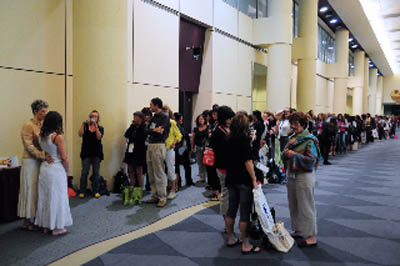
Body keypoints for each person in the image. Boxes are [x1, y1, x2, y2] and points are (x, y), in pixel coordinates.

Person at [282, 112, 320, 248]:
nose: (293, 126)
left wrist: (294, 154)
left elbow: (311, 161)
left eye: (296, 123)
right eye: (292, 123)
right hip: (291, 173)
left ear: (303, 124)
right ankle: (297, 230)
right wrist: (287, 150)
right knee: (293, 203)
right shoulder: (292, 138)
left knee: (306, 205)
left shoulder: (310, 140)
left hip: (305, 174)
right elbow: (282, 155)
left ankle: (311, 236)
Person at [224, 112, 260, 254]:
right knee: (245, 213)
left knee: (231, 209)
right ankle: (246, 243)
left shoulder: (227, 138)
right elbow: (248, 162)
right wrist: (253, 179)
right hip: (243, 179)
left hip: (231, 177)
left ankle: (231, 237)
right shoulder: (244, 140)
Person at [35, 111, 72, 235]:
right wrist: (67, 170)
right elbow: (64, 157)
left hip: (45, 168)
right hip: (56, 169)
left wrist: (46, 156)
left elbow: (44, 151)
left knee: (45, 197)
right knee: (57, 197)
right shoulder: (57, 137)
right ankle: (57, 227)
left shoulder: (41, 136)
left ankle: (46, 225)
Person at [18, 99, 49, 231]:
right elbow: (28, 145)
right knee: (29, 189)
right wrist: (41, 155)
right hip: (30, 161)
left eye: (45, 112)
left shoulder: (42, 125)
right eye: (42, 112)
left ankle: (36, 217)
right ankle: (26, 220)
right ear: (35, 111)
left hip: (39, 162)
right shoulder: (28, 125)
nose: (44, 114)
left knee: (37, 190)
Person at [145, 98, 171, 207]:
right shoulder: (153, 117)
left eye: (151, 104)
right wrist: (154, 130)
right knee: (151, 172)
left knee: (159, 172)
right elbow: (146, 131)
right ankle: (154, 195)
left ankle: (162, 197)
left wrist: (154, 130)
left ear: (156, 105)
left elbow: (160, 132)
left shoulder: (164, 117)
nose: (150, 106)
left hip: (159, 145)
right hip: (150, 145)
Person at [210, 106, 235, 214]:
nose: (230, 121)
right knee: (226, 194)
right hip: (223, 166)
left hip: (231, 166)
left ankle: (229, 220)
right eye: (228, 119)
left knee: (231, 194)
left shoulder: (230, 129)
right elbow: (219, 151)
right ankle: (227, 222)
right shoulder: (217, 133)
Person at [78, 110, 104, 199]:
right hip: (86, 152)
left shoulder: (100, 128)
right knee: (84, 172)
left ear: (97, 118)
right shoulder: (85, 127)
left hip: (96, 153)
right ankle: (82, 191)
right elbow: (80, 134)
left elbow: (99, 137)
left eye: (95, 116)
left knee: (96, 173)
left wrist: (96, 127)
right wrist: (82, 124)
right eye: (92, 116)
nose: (93, 117)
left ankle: (96, 191)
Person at [123, 111, 147, 205]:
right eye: (133, 117)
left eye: (135, 117)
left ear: (140, 118)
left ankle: (138, 194)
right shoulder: (133, 126)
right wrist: (132, 125)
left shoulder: (144, 127)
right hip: (130, 151)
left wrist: (133, 138)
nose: (134, 118)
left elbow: (141, 138)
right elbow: (126, 134)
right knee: (131, 172)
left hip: (139, 152)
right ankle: (131, 193)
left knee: (139, 173)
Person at [163, 105, 182, 200]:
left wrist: (173, 143)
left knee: (171, 169)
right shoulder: (158, 122)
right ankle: (163, 189)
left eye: (165, 111)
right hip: (159, 148)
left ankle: (173, 189)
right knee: (161, 170)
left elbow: (179, 136)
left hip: (169, 149)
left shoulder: (172, 122)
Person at [174, 113, 193, 187]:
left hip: (183, 148)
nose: (182, 120)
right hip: (178, 148)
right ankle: (178, 183)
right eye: (180, 118)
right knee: (178, 167)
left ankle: (188, 181)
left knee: (186, 165)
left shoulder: (180, 126)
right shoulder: (175, 126)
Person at [191, 114, 208, 183]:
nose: (200, 120)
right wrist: (192, 147)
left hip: (206, 148)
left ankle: (207, 176)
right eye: (199, 119)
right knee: (199, 162)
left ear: (204, 120)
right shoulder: (195, 129)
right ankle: (202, 177)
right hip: (198, 147)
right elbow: (193, 139)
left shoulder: (208, 128)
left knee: (206, 163)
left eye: (202, 119)